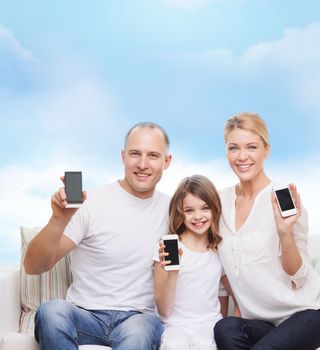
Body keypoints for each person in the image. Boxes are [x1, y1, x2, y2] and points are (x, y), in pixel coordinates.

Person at [23, 122, 172, 350]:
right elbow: (33, 266)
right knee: (51, 311)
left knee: (140, 331)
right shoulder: (91, 203)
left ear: (166, 161)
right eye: (135, 154)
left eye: (152, 155)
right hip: (84, 315)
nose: (143, 164)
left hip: (137, 318)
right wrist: (59, 219)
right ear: (123, 156)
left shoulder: (175, 211)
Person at [214, 112, 320, 350]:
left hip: (308, 315)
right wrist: (239, 304)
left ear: (266, 150)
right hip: (263, 323)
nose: (242, 157)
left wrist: (284, 232)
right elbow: (221, 267)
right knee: (225, 328)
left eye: (251, 147)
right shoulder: (219, 202)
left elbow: (297, 276)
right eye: (233, 148)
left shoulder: (282, 198)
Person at [154, 175, 237, 350]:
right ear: (180, 213)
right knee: (174, 344)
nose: (198, 216)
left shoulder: (219, 249)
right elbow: (164, 310)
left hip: (208, 325)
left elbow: (237, 296)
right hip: (173, 325)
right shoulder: (168, 247)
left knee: (204, 345)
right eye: (189, 210)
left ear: (215, 209)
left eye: (205, 208)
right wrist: (173, 273)